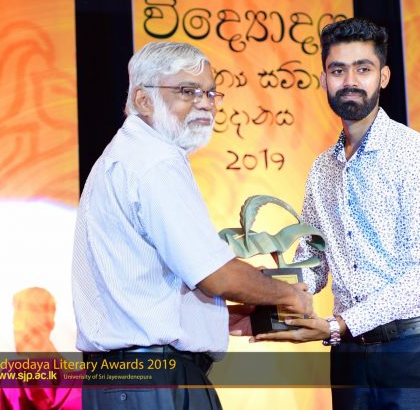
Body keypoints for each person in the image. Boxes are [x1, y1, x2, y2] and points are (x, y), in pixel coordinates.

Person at [72, 41, 312, 410]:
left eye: (211, 92)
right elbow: (215, 275)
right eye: (187, 91)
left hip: (128, 383)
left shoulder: (125, 157)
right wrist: (289, 296)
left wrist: (220, 318)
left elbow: (143, 291)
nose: (205, 103)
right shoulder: (155, 162)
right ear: (143, 100)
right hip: (154, 383)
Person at [255, 18, 420, 410]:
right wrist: (267, 294)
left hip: (410, 349)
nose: (350, 81)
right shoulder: (322, 169)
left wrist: (340, 323)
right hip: (347, 354)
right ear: (324, 79)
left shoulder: (414, 154)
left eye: (363, 69)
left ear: (383, 76)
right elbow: (313, 262)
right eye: (338, 70)